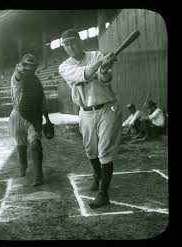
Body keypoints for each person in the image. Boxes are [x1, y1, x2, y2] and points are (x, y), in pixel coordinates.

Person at [59, 29, 122, 209]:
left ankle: (103, 193)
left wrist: (105, 69)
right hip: (85, 112)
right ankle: (97, 175)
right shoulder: (64, 66)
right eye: (67, 44)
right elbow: (83, 74)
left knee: (104, 150)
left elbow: (104, 80)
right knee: (90, 150)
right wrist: (100, 64)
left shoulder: (96, 55)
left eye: (73, 42)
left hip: (107, 107)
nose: (71, 47)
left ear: (80, 42)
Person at [9, 54, 53, 187]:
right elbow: (17, 77)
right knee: (21, 144)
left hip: (34, 115)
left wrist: (47, 119)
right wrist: (19, 70)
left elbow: (42, 101)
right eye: (27, 65)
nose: (30, 68)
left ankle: (38, 175)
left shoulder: (36, 81)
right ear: (22, 65)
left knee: (35, 145)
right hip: (17, 114)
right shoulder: (18, 77)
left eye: (32, 66)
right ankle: (23, 165)